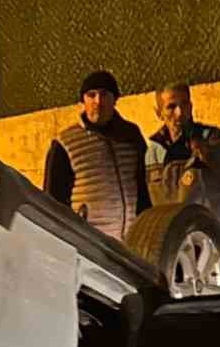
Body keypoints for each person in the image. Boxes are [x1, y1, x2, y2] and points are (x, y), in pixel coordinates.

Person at [43, 70, 151, 240]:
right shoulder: (65, 143)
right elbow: (53, 200)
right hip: (88, 242)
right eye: (91, 95)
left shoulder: (131, 135)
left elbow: (144, 184)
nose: (98, 101)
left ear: (115, 99)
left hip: (130, 240)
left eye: (104, 94)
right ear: (83, 100)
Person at [144, 82, 220, 225]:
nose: (180, 113)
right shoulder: (153, 151)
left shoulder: (210, 136)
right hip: (170, 229)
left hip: (207, 227)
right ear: (159, 113)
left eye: (184, 104)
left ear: (191, 106)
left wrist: (206, 152)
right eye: (171, 107)